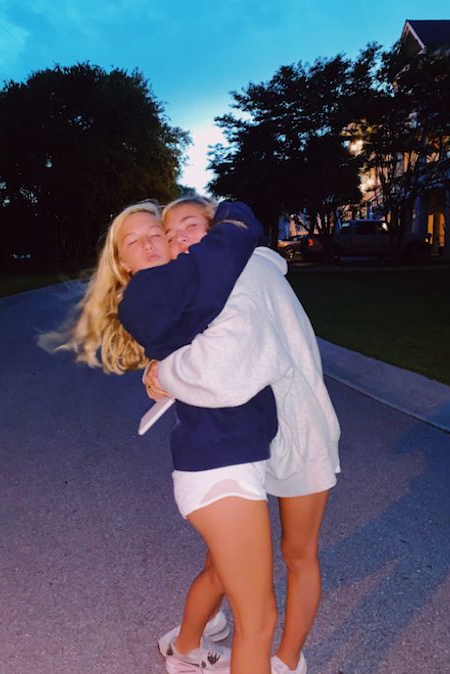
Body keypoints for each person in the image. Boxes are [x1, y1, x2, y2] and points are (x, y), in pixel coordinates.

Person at [55, 198, 281, 674]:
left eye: (154, 233)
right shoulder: (148, 292)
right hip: (222, 469)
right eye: (133, 242)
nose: (149, 244)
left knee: (220, 572)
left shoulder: (177, 293)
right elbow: (225, 250)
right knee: (258, 621)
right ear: (122, 262)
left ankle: (184, 649)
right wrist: (231, 210)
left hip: (222, 459)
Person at [139, 197, 341, 674]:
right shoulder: (212, 279)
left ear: (217, 232)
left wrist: (164, 374)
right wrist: (162, 370)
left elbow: (226, 365)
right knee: (231, 558)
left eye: (189, 226)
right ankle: (190, 641)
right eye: (169, 235)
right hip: (249, 433)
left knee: (297, 553)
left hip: (297, 429)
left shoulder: (246, 273)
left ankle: (288, 661)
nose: (178, 239)